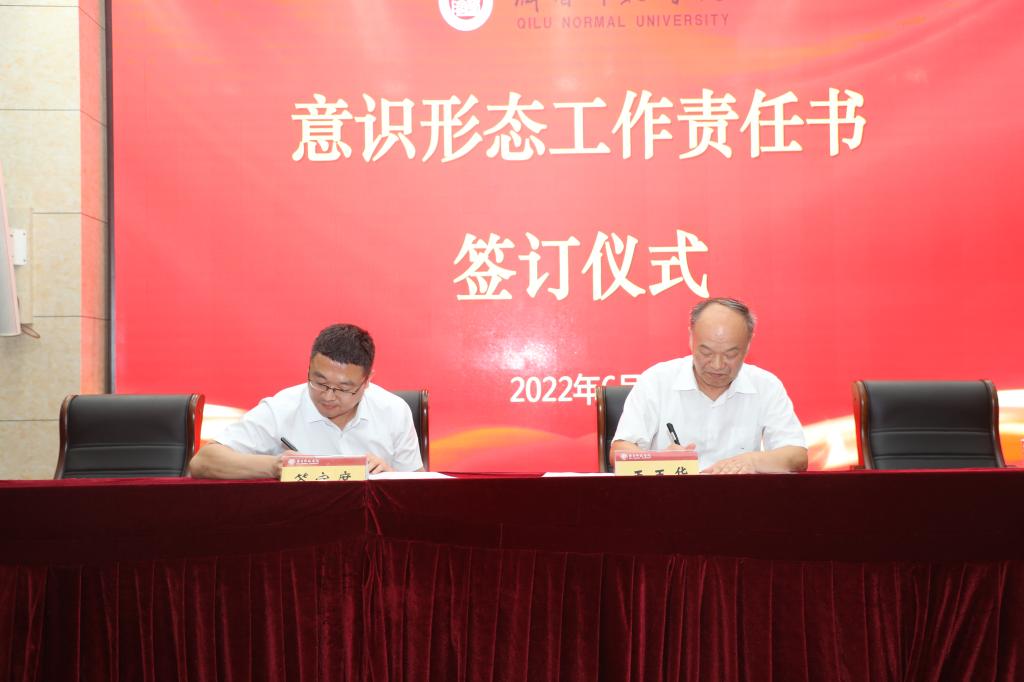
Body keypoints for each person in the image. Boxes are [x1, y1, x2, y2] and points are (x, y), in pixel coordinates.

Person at [189, 323, 423, 479]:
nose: (328, 396)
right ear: (309, 368)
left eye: (344, 389)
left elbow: (420, 489)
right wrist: (275, 466)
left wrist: (391, 477)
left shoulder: (394, 410)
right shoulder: (281, 409)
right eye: (319, 382)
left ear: (367, 381)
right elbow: (202, 462)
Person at [611, 297, 807, 474]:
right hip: (670, 497)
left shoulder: (766, 386)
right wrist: (660, 460)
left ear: (748, 344)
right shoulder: (656, 380)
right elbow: (619, 451)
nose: (717, 365)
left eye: (730, 354)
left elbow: (797, 456)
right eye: (706, 353)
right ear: (691, 338)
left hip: (740, 497)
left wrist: (751, 461)